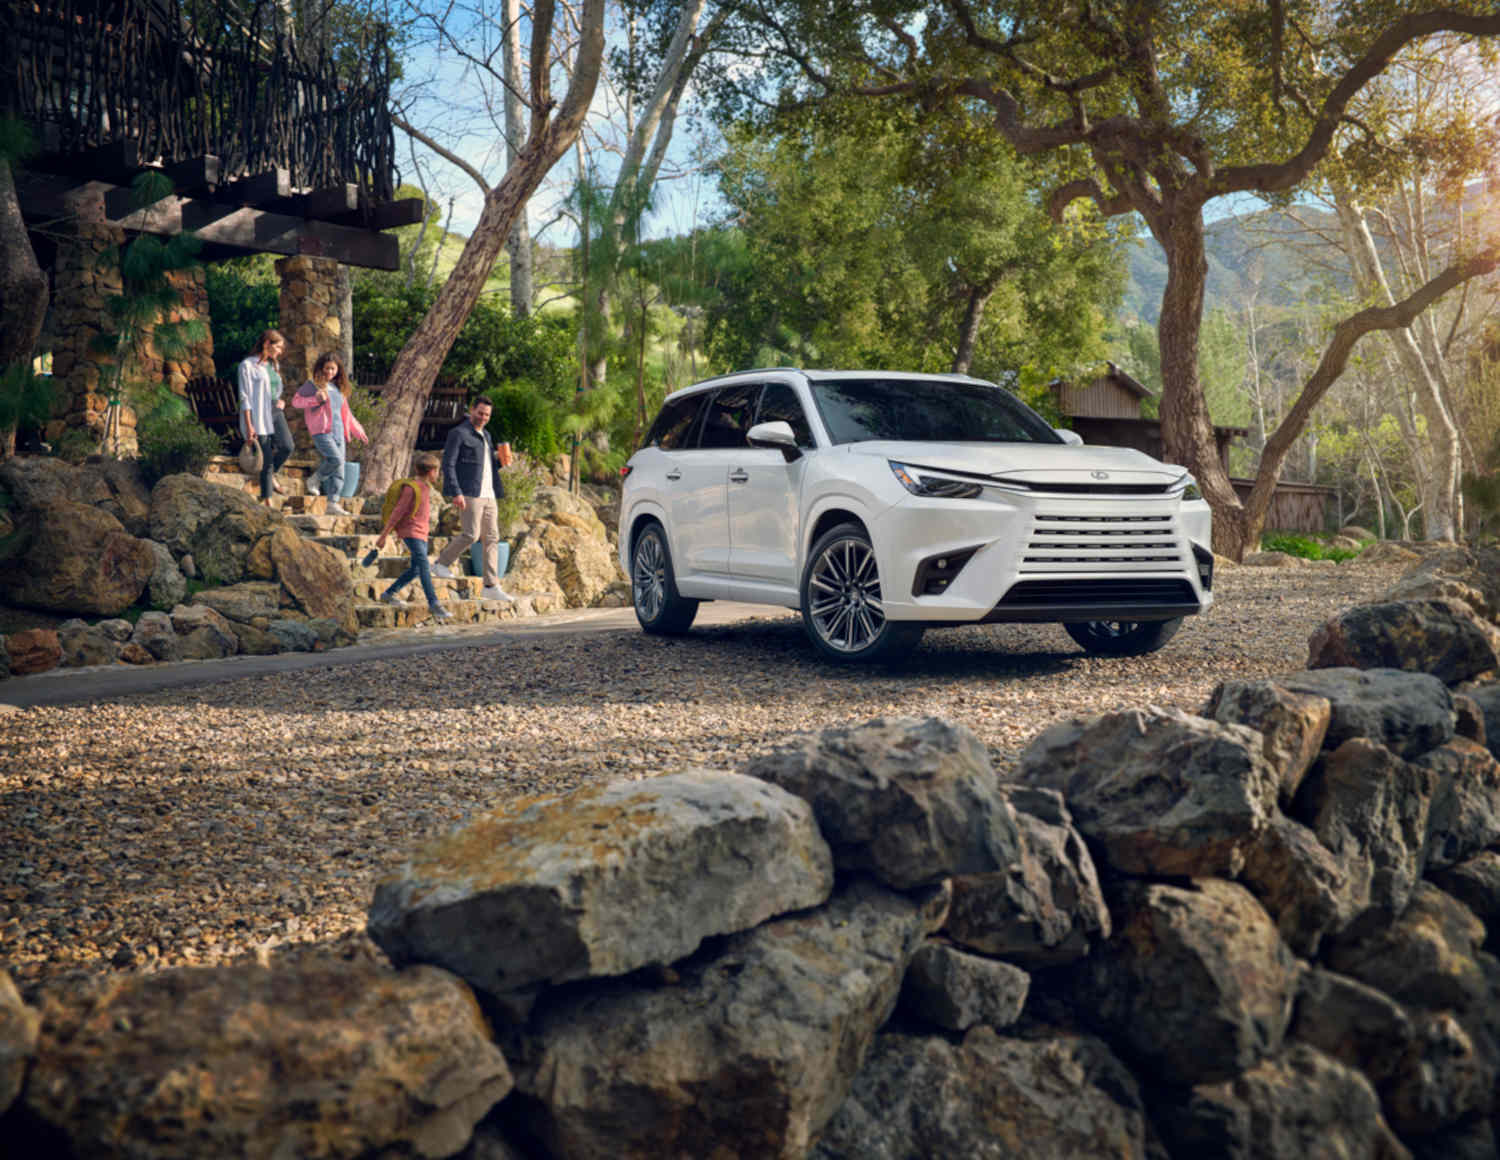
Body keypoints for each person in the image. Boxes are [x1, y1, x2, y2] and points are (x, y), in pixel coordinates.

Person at [432, 396, 515, 601]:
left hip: (489, 494)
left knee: (492, 538)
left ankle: (491, 585)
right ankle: (441, 564)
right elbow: (448, 464)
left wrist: (501, 463)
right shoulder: (458, 434)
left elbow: (486, 466)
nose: (483, 417)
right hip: (469, 493)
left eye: (487, 415)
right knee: (471, 534)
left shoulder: (486, 435)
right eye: (480, 413)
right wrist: (456, 492)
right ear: (472, 410)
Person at [375, 453, 453, 622]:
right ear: (432, 471)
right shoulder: (411, 488)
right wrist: (384, 535)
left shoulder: (426, 488)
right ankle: (434, 603)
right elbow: (398, 512)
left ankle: (388, 594)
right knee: (424, 565)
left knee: (417, 569)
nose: (438, 475)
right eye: (437, 472)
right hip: (411, 532)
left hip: (421, 534)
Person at [292, 352, 367, 516]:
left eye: (333, 369)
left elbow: (345, 413)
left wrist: (356, 428)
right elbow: (296, 401)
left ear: (338, 370)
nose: (330, 372)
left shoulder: (337, 388)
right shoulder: (312, 385)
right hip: (321, 431)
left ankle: (333, 503)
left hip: (339, 431)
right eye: (327, 368)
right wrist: (315, 400)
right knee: (335, 460)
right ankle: (315, 479)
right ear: (321, 367)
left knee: (340, 469)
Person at [236, 329, 294, 505]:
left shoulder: (273, 366)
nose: (281, 351)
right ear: (267, 344)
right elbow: (244, 397)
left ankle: (271, 474)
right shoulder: (247, 366)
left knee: (287, 446)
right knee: (267, 457)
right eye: (279, 347)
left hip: (275, 412)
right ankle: (268, 500)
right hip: (258, 415)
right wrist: (249, 425)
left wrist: (281, 401)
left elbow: (275, 389)